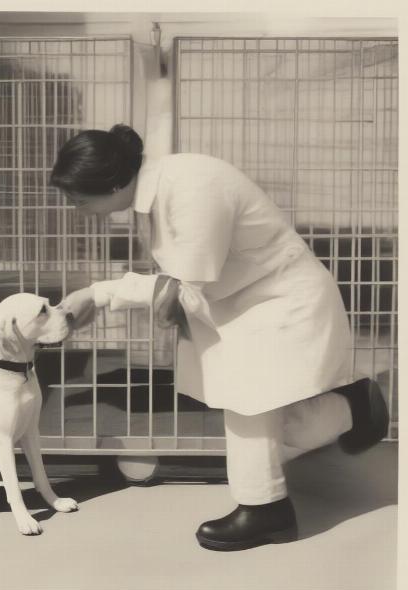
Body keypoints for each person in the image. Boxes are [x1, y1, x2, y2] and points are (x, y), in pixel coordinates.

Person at [50, 124, 389, 551]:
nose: (79, 211)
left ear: (114, 183)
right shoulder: (157, 192)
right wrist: (96, 295)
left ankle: (266, 510)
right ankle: (354, 408)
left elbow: (187, 285)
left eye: (81, 200)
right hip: (247, 306)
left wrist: (98, 294)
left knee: (247, 407)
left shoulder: (190, 185)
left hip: (283, 304)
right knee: (279, 425)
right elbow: (182, 283)